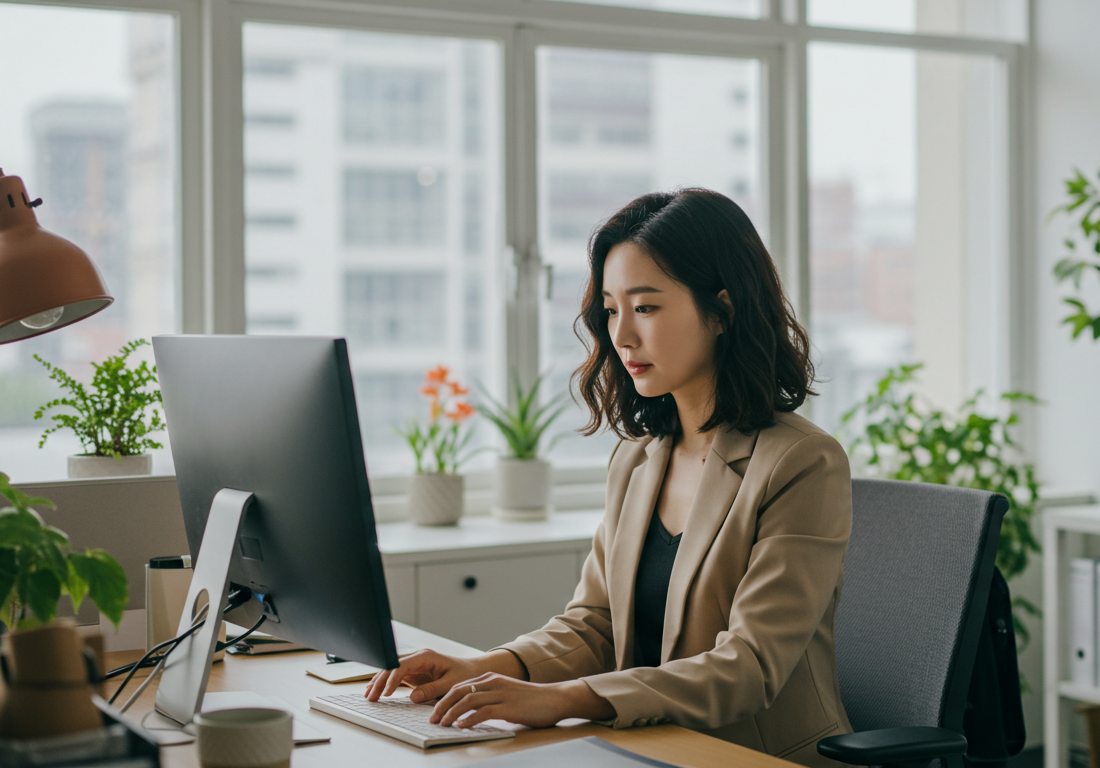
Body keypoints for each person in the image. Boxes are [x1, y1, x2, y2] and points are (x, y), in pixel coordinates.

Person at [366, 188, 854, 766]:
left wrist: (558, 700)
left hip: (751, 756)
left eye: (645, 307)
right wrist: (487, 666)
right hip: (649, 746)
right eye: (611, 308)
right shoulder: (638, 459)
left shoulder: (802, 463)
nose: (621, 336)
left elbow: (747, 667)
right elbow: (594, 624)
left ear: (721, 310)